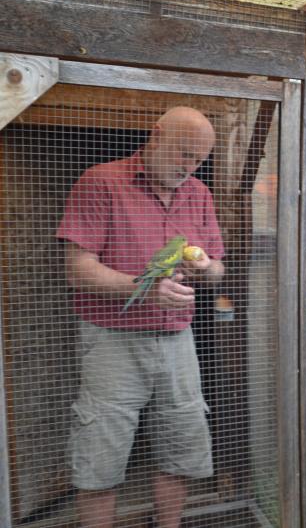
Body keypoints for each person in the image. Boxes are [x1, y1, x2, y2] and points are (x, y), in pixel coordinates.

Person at [57, 106, 225, 528]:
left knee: (181, 444)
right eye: (183, 154)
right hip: (112, 339)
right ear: (156, 135)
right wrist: (143, 288)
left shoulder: (199, 194)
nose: (189, 167)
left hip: (178, 339)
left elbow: (220, 268)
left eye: (198, 160)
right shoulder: (101, 182)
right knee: (101, 451)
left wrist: (206, 267)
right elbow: (77, 269)